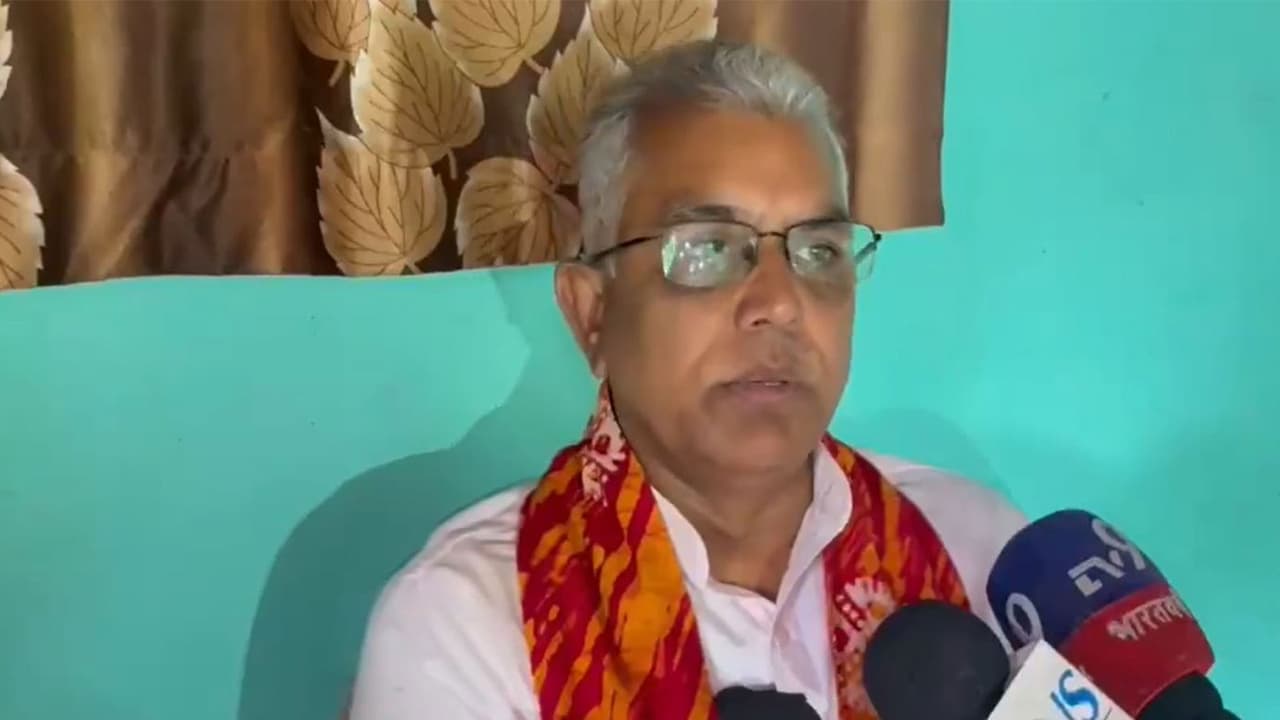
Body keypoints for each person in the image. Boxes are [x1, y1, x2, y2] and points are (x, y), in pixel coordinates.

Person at [349, 40, 1026, 720]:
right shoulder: (469, 624)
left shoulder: (983, 561)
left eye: (819, 250)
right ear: (592, 314)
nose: (780, 303)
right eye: (707, 250)